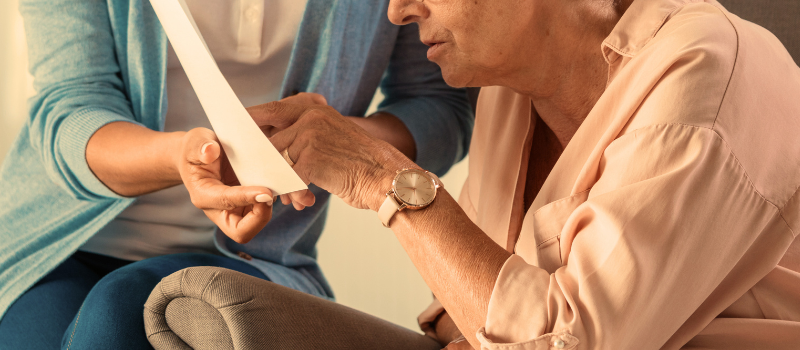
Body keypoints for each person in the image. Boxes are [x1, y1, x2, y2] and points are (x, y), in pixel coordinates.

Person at [173, 0, 799, 348]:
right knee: (150, 300)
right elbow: (470, 315)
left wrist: (386, 180)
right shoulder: (507, 89)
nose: (396, 11)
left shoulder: (702, 71)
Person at [0, 0, 473, 349]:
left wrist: (324, 138)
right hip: (60, 248)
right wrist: (184, 158)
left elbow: (440, 105)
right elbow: (71, 109)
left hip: (257, 257)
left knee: (120, 314)